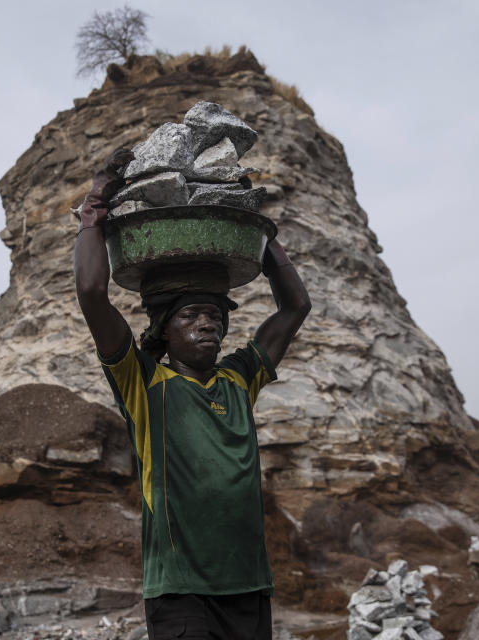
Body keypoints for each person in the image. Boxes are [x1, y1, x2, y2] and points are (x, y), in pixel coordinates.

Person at [74, 148, 311, 639]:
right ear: (164, 329)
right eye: (191, 316)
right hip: (181, 591)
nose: (208, 323)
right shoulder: (145, 385)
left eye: (216, 316)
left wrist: (262, 239)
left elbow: (295, 307)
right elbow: (93, 293)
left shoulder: (239, 379)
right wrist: (94, 212)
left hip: (248, 585)